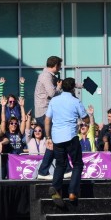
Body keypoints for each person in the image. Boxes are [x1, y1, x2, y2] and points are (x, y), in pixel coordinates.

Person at [44, 78, 87, 207]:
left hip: (57, 137)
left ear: (61, 87)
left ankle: (56, 188)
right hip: (70, 136)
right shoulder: (75, 101)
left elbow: (47, 120)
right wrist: (87, 118)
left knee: (60, 165)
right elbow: (85, 118)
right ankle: (72, 192)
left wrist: (48, 137)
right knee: (77, 164)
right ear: (73, 88)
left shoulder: (54, 100)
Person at [35, 56, 64, 180]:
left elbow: (63, 84)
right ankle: (44, 170)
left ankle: (45, 170)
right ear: (55, 65)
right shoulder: (46, 76)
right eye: (60, 66)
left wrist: (82, 85)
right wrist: (58, 88)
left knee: (56, 142)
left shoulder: (50, 76)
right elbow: (52, 93)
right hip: (44, 113)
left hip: (47, 113)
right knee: (54, 142)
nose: (60, 68)